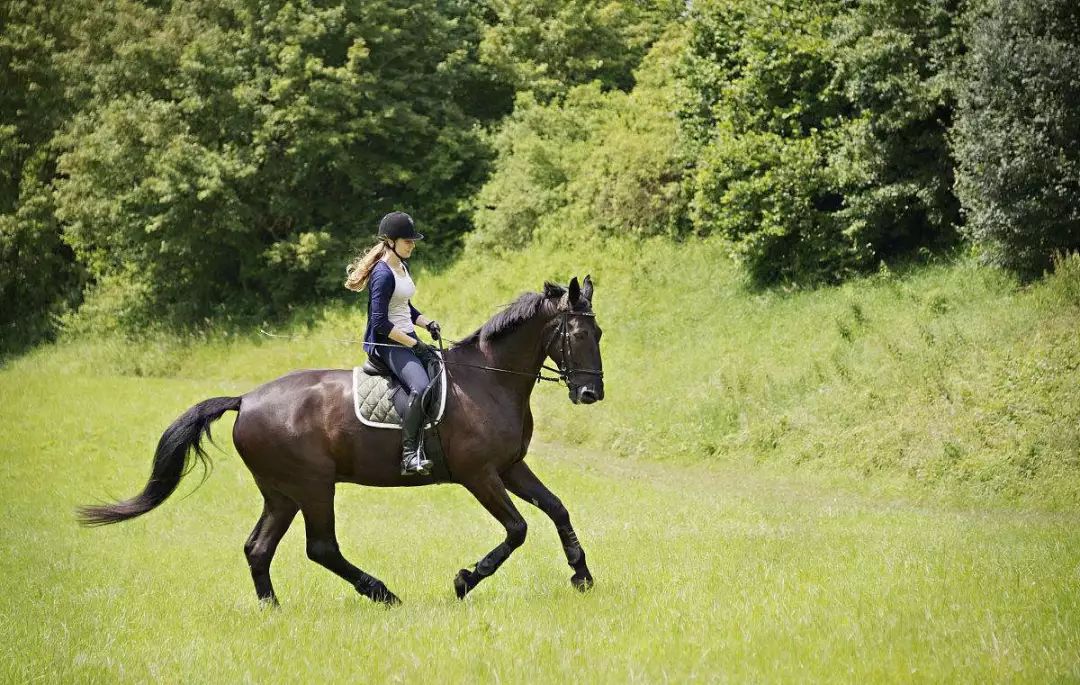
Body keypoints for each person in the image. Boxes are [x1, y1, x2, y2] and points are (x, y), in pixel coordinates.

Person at [345, 211, 443, 475]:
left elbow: (404, 307)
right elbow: (380, 323)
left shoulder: (402, 267)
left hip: (407, 337)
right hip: (388, 345)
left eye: (413, 241)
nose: (412, 245)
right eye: (407, 241)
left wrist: (427, 323)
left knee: (440, 366)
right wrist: (413, 344)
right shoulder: (382, 274)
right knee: (421, 386)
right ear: (391, 241)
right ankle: (409, 455)